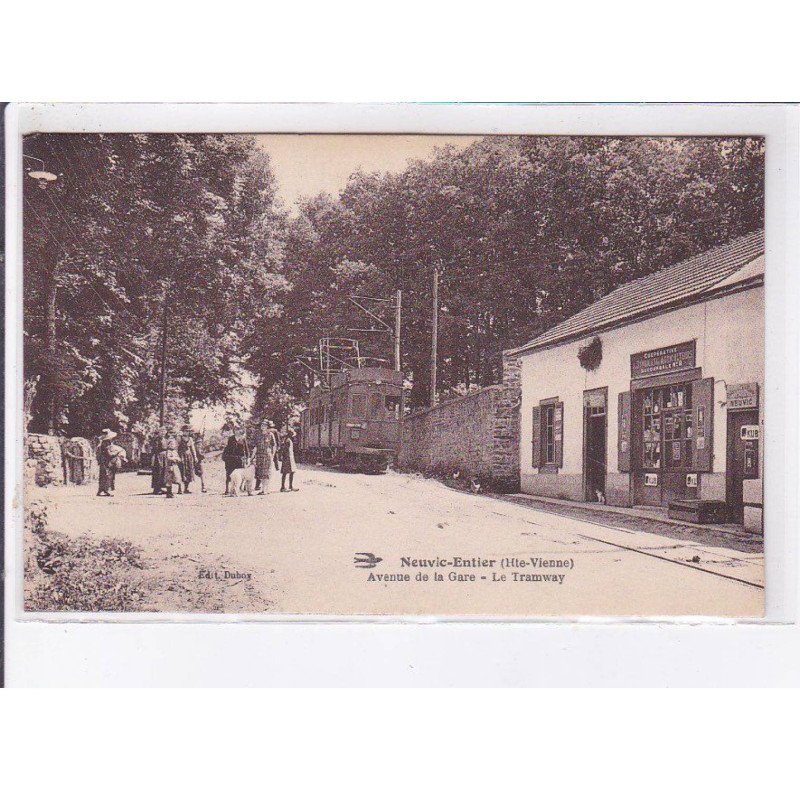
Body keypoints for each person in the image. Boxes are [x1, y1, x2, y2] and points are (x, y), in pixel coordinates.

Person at [97, 429, 126, 497]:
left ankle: (101, 490)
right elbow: (109, 454)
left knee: (103, 476)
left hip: (103, 461)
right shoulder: (105, 444)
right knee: (108, 476)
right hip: (107, 462)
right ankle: (107, 490)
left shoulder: (103, 443)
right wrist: (117, 453)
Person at [253, 419, 280, 495]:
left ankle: (266, 489)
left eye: (265, 425)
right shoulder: (258, 435)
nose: (263, 427)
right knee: (260, 473)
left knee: (267, 473)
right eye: (262, 425)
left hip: (267, 456)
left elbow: (274, 446)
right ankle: (263, 489)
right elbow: (255, 446)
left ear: (267, 427)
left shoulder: (270, 435)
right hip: (259, 455)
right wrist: (253, 456)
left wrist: (272, 455)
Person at [222, 427, 250, 495]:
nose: (237, 432)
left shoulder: (243, 438)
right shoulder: (231, 438)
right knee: (229, 474)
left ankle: (239, 488)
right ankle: (227, 489)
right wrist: (228, 457)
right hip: (232, 459)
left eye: (238, 430)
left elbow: (246, 449)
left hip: (240, 459)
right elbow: (228, 448)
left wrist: (247, 458)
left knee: (240, 474)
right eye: (235, 430)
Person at [178, 425, 200, 494]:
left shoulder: (190, 439)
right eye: (185, 431)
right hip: (181, 456)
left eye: (188, 431)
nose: (186, 432)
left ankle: (186, 488)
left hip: (189, 457)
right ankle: (179, 488)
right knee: (181, 471)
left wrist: (195, 457)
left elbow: (193, 449)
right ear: (183, 431)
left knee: (188, 472)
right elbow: (176, 447)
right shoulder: (179, 438)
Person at [150, 425, 169, 495]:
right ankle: (156, 489)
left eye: (164, 431)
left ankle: (160, 487)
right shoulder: (156, 439)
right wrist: (154, 458)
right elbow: (154, 449)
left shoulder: (165, 439)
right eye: (161, 431)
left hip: (164, 456)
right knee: (158, 472)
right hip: (158, 456)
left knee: (164, 472)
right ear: (159, 432)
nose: (163, 432)